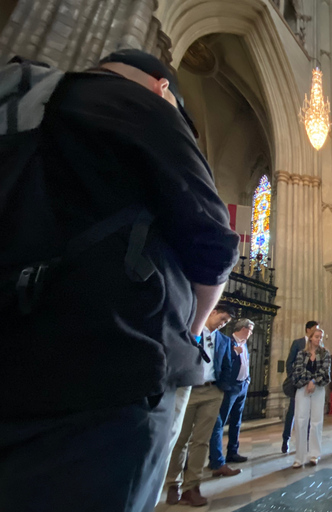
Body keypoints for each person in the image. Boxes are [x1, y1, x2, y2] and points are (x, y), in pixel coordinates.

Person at [0, 50, 239, 512]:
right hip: (110, 376)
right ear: (162, 88)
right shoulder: (140, 105)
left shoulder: (32, 104)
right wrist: (193, 327)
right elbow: (215, 245)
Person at [165, 304, 241, 507]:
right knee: (180, 439)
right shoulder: (192, 330)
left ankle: (192, 487)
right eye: (222, 319)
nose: (222, 324)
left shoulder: (224, 340)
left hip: (212, 391)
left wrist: (221, 389)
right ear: (212, 311)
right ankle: (173, 484)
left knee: (201, 441)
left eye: (226, 323)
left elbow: (227, 365)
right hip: (188, 390)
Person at [209, 318, 254, 471]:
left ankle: (232, 452)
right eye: (250, 330)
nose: (251, 333)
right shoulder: (227, 342)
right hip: (230, 386)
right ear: (243, 328)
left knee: (236, 421)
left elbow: (245, 363)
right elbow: (221, 362)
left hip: (242, 385)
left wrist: (247, 380)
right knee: (220, 421)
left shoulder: (245, 344)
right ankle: (215, 457)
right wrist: (234, 353)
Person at [291, 326, 332, 468]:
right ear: (310, 337)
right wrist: (308, 382)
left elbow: (325, 370)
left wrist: (313, 382)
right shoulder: (302, 354)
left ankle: (314, 454)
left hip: (318, 388)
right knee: (301, 421)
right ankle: (299, 457)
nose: (318, 339)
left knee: (316, 421)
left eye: (321, 337)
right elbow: (298, 370)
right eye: (316, 336)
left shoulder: (325, 353)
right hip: (303, 388)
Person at [282, 320, 319, 453]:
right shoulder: (298, 343)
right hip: (298, 384)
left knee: (309, 414)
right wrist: (295, 379)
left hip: (312, 385)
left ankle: (307, 441)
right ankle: (286, 439)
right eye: (315, 329)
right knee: (292, 412)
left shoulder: (318, 344)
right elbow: (289, 362)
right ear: (308, 330)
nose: (317, 332)